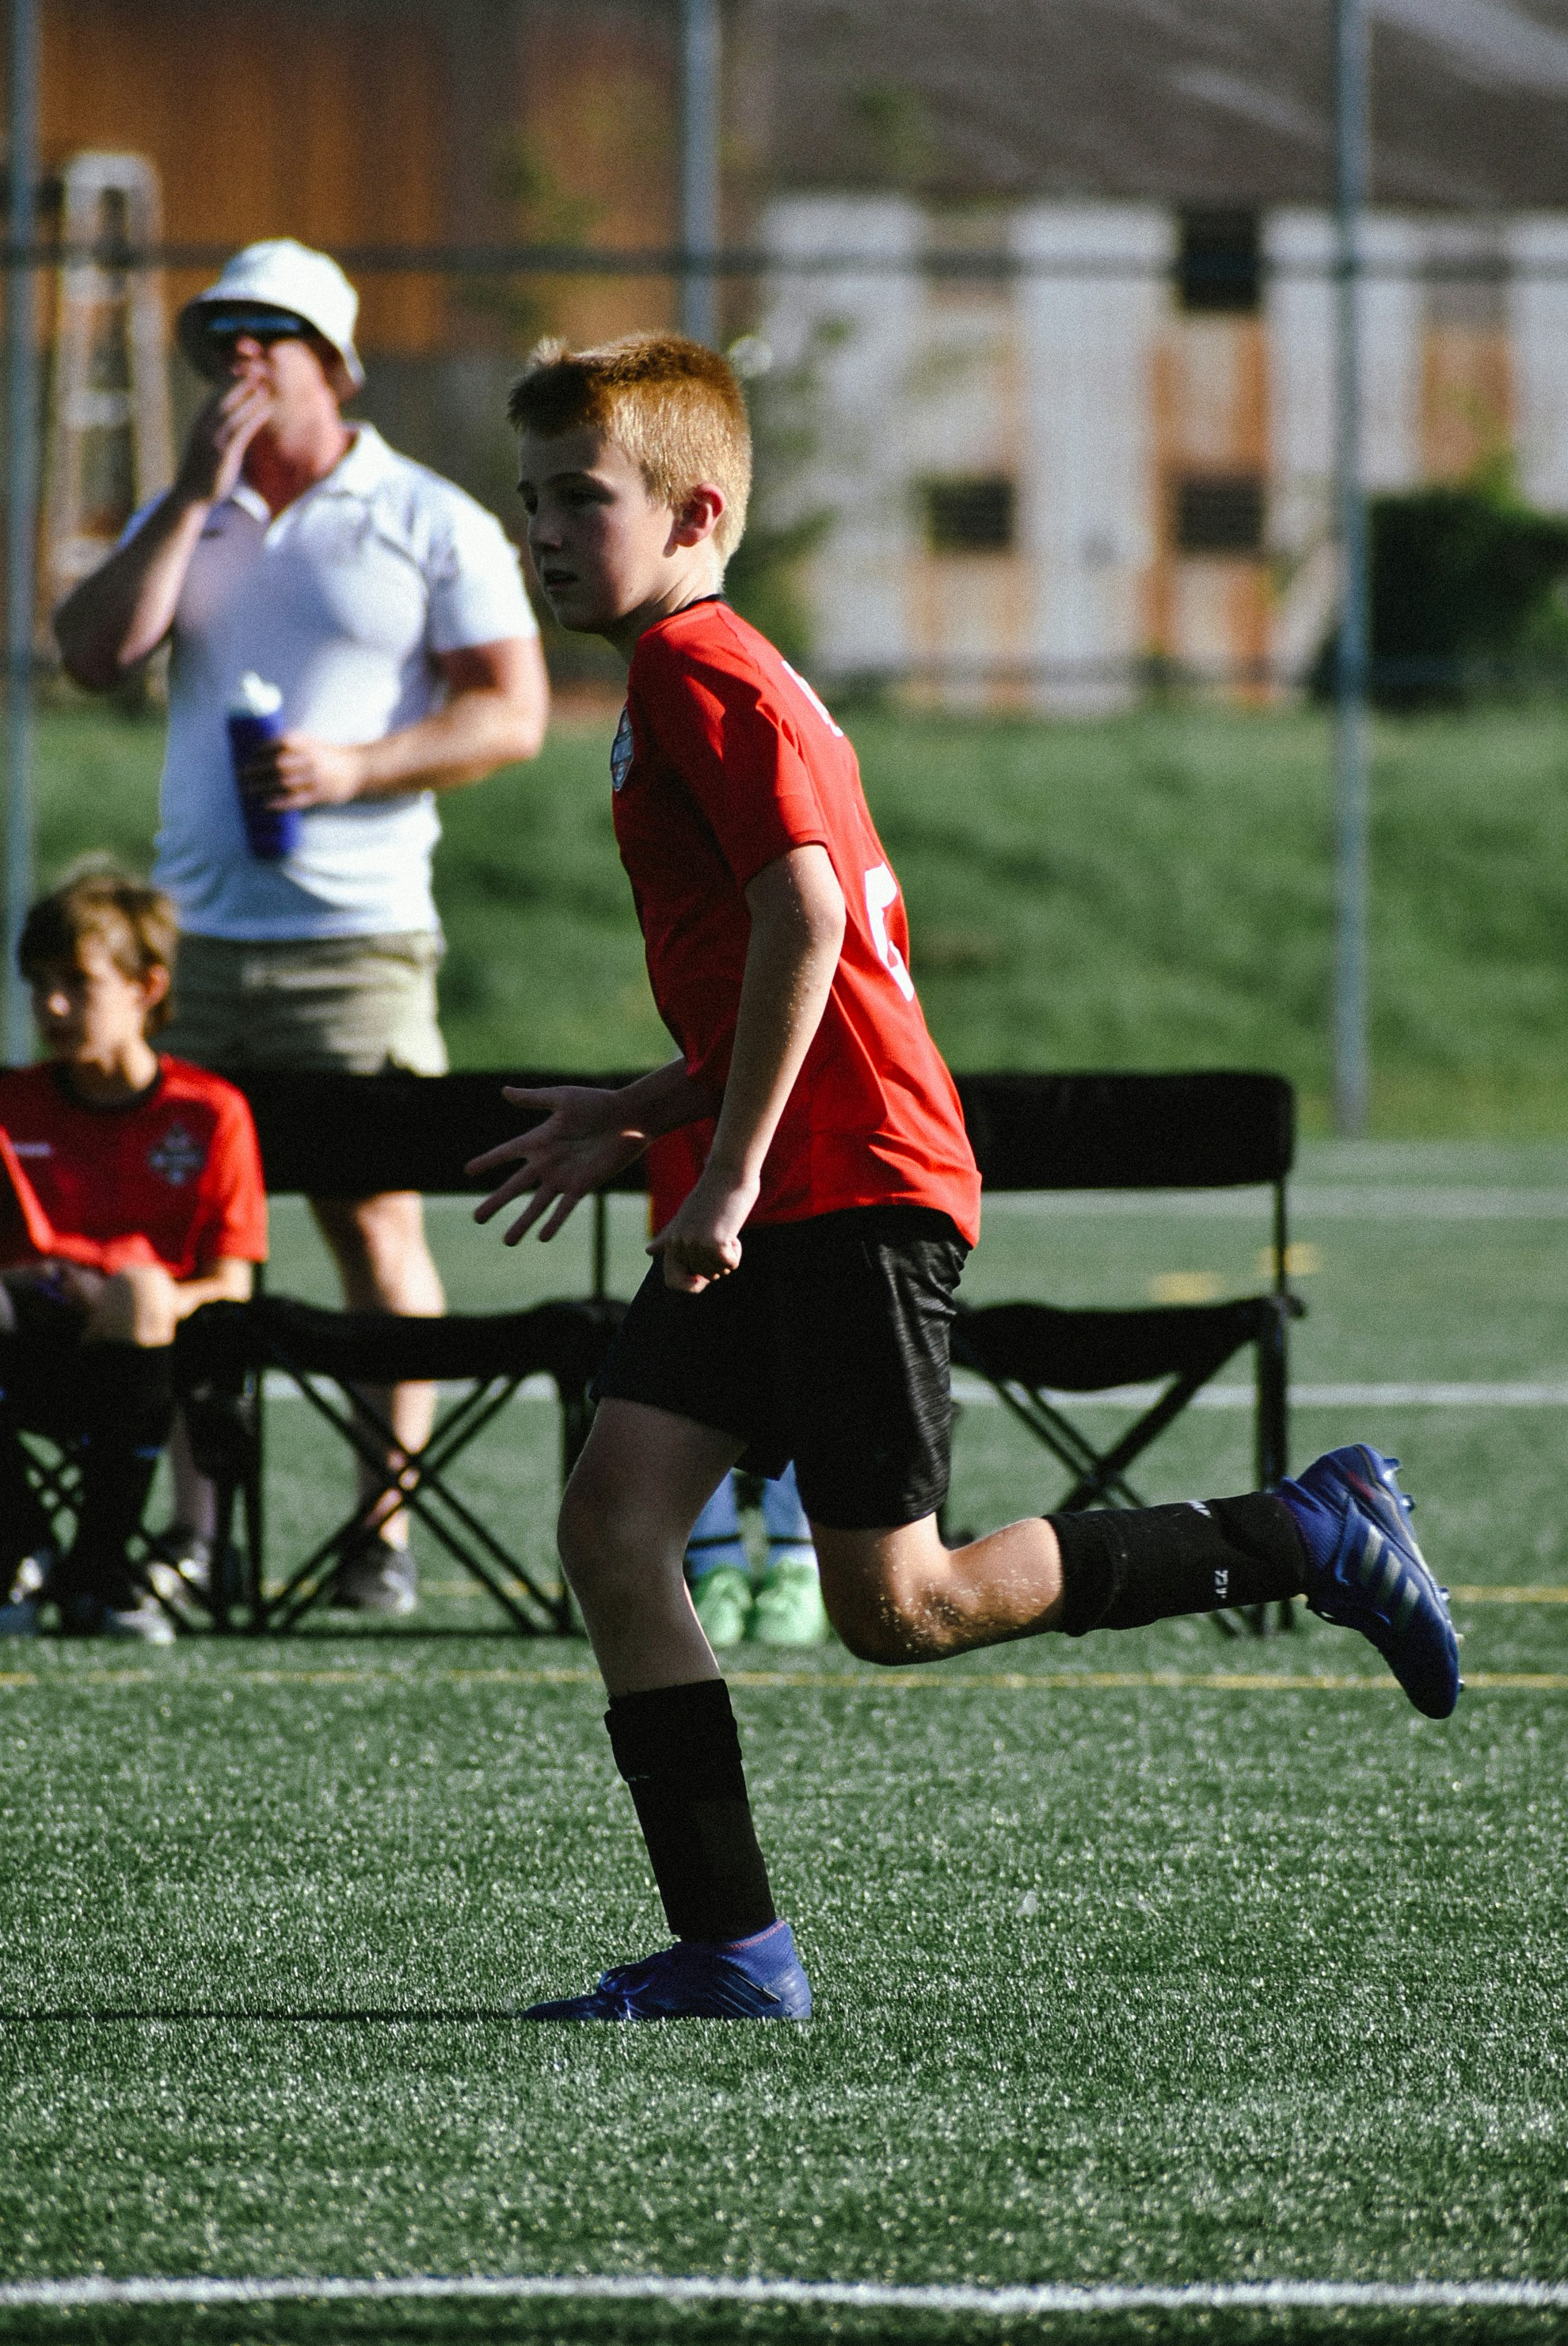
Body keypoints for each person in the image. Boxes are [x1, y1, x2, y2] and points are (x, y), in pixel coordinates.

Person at [469, 332, 1461, 2024]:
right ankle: (734, 1951)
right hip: (797, 1172)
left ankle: (1307, 1531)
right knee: (617, 1524)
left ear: (696, 513)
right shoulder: (692, 677)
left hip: (845, 1187)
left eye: (580, 499)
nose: (545, 533)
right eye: (531, 501)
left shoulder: (701, 673)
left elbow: (812, 924)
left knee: (901, 1602)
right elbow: (801, 973)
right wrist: (646, 1110)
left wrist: (721, 1173)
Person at [55, 240, 550, 1616]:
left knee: (372, 1224)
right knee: (173, 1239)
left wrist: (354, 768)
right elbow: (91, 655)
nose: (239, 357)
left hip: (357, 948)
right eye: (221, 335)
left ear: (335, 365)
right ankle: (197, 1529)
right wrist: (186, 498)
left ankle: (380, 1535)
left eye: (269, 334)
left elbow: (510, 712)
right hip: (190, 951)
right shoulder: (188, 509)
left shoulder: (431, 515)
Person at [0, 870, 266, 1643]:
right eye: (39, 984)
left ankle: (99, 1569)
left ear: (147, 987)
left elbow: (231, 1283)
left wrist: (131, 1294)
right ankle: (22, 1545)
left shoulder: (210, 1112)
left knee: (141, 1289)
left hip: (156, 1359)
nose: (52, 1006)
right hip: (26, 1349)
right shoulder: (12, 1104)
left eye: (77, 983)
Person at [645, 1125, 827, 1647]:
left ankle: (799, 1558)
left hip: (824, 1141)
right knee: (692, 1322)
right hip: (700, 1120)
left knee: (815, 1332)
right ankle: (714, 1559)